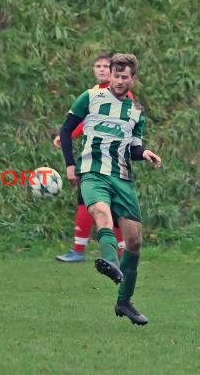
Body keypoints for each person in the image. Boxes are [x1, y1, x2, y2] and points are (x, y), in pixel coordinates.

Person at [59, 54, 162, 325]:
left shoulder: (136, 112)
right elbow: (67, 129)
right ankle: (109, 261)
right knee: (101, 213)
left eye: (124, 77)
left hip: (122, 177)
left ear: (132, 79)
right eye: (115, 75)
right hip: (93, 173)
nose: (118, 81)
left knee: (135, 241)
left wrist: (146, 153)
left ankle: (124, 301)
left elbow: (134, 147)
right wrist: (70, 165)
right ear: (110, 76)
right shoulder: (90, 98)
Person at [54, 53, 132, 262]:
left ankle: (120, 253)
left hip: (113, 160)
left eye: (106, 66)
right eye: (98, 65)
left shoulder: (121, 94)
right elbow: (87, 120)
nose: (102, 69)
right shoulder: (93, 94)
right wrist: (68, 135)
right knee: (86, 200)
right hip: (93, 159)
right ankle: (79, 250)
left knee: (112, 208)